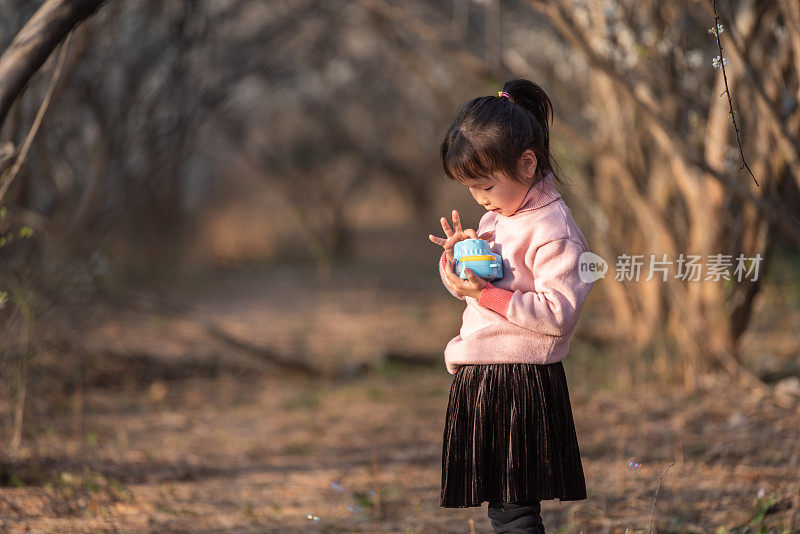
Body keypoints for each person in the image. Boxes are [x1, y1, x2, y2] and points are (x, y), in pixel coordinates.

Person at [428, 79, 595, 533]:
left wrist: (486, 294)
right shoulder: (496, 218)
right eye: (470, 188)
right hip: (484, 371)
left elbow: (557, 315)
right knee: (500, 511)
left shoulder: (553, 229)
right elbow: (489, 292)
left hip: (520, 382)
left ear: (526, 163)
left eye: (484, 184)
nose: (479, 197)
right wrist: (460, 263)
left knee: (515, 512)